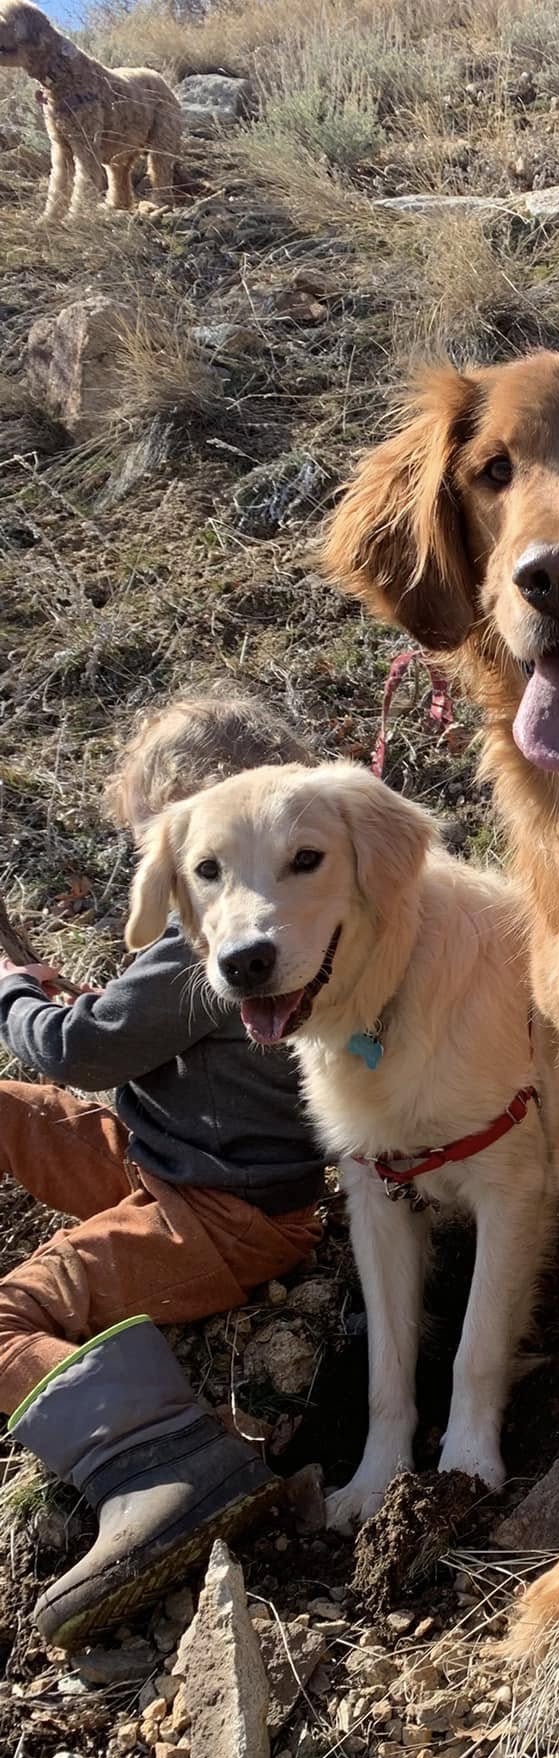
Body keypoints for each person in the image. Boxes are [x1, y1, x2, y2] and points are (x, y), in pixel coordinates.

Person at [0, 693, 327, 1649]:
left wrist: (17, 995)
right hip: (162, 1159)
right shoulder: (281, 915)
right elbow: (137, 1032)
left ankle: (163, 1466)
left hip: (223, 1216)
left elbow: (79, 1052)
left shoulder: (209, 935)